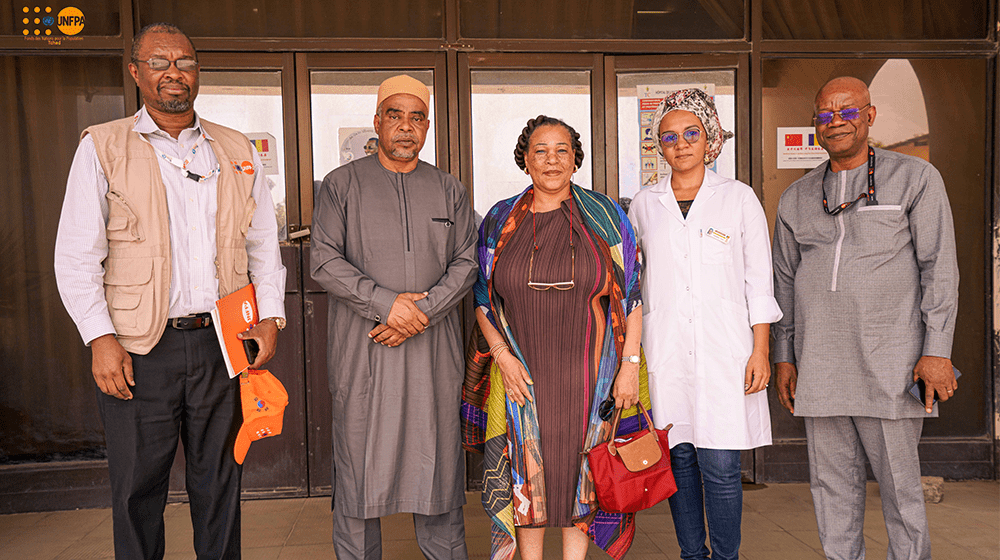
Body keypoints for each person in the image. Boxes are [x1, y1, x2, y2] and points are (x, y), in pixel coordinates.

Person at [53, 22, 286, 559]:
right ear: (136, 73)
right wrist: (99, 337)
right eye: (159, 62)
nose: (173, 73)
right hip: (138, 347)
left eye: (183, 61)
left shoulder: (233, 149)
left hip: (221, 345)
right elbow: (76, 256)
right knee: (137, 490)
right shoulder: (103, 146)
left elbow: (261, 244)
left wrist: (269, 316)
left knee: (220, 485)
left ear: (197, 72)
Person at [772, 76, 959, 560]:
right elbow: (785, 284)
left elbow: (939, 268)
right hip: (821, 366)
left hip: (892, 364)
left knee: (900, 490)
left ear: (869, 116)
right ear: (815, 123)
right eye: (825, 114)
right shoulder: (796, 197)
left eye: (847, 111)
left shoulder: (915, 178)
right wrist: (784, 356)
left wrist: (937, 350)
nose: (835, 122)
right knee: (832, 489)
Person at [310, 74, 477, 560]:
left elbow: (466, 262)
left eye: (417, 118)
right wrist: (387, 304)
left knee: (439, 472)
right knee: (360, 472)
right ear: (377, 122)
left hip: (431, 352)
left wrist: (419, 310)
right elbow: (323, 259)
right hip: (365, 351)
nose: (406, 128)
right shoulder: (341, 185)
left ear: (428, 127)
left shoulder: (449, 188)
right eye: (395, 116)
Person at [465, 115, 645, 560]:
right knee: (524, 473)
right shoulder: (500, 219)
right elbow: (483, 300)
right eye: (540, 150)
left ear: (575, 159)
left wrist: (630, 366)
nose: (551, 160)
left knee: (581, 472)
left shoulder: (606, 216)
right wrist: (503, 357)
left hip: (591, 374)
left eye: (561, 150)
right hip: (520, 373)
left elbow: (633, 298)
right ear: (525, 159)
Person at [628, 88, 782, 560]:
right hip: (666, 354)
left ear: (710, 136)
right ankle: (692, 555)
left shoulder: (738, 198)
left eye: (690, 133)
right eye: (669, 137)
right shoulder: (643, 204)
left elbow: (760, 280)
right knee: (680, 463)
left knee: (720, 466)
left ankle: (726, 556)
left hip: (727, 353)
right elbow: (635, 285)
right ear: (659, 146)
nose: (680, 144)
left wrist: (760, 350)